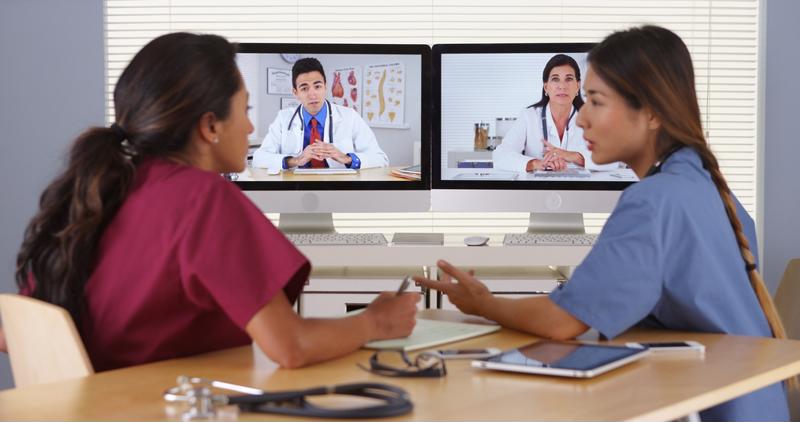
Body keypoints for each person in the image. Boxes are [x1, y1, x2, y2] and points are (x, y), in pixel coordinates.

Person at [417, 26, 791, 422]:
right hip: (755, 402)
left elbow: (561, 323)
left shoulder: (652, 202)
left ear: (651, 113)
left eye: (595, 101)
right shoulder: (709, 186)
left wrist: (480, 302)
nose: (582, 120)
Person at [8, 33, 418, 372]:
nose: (252, 125)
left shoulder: (96, 187)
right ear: (210, 126)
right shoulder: (204, 198)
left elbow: (15, 333)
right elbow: (291, 345)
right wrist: (375, 321)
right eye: (245, 109)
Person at [252, 57, 389, 170]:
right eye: (304, 88)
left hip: (338, 188)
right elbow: (258, 158)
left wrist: (345, 158)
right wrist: (295, 160)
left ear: (326, 86)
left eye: (317, 86)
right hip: (296, 189)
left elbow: (380, 158)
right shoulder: (283, 118)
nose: (312, 94)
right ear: (296, 93)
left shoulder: (349, 116)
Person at [493, 53, 617, 173]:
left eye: (569, 79)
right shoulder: (529, 116)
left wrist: (575, 156)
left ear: (578, 86)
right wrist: (536, 163)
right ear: (546, 87)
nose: (562, 86)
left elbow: (613, 158)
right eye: (555, 79)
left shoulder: (592, 117)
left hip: (581, 190)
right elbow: (500, 156)